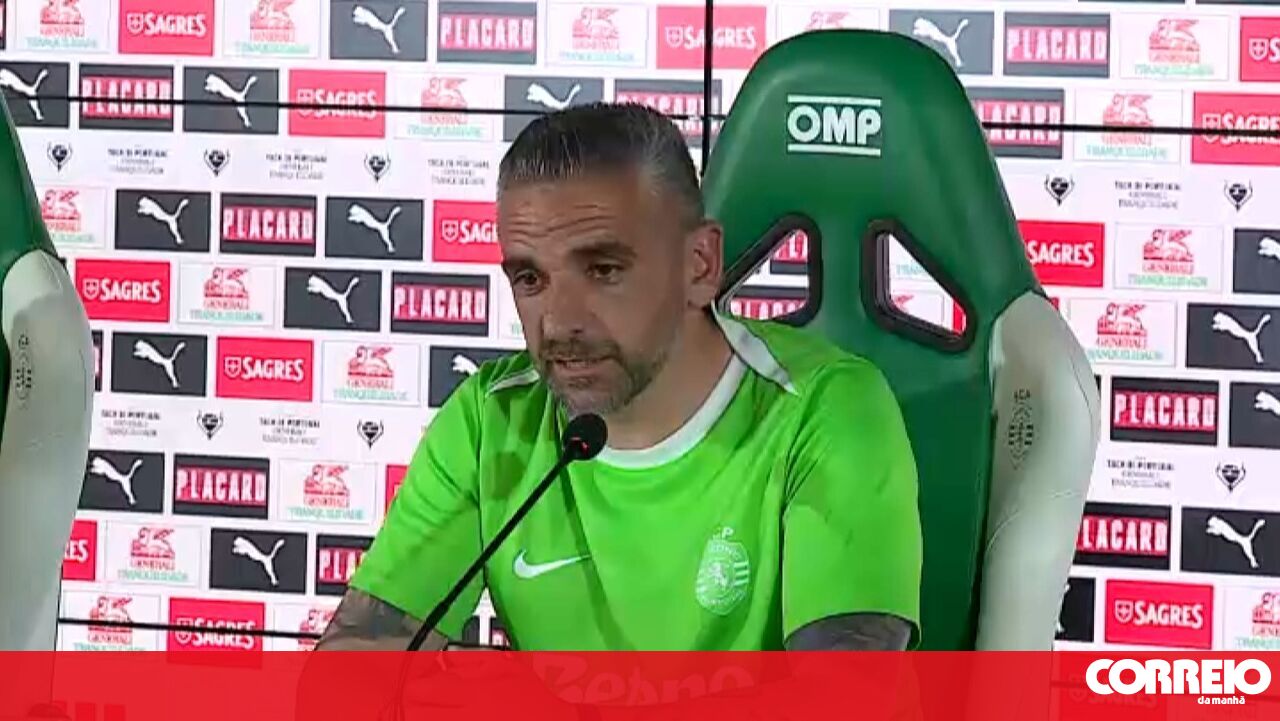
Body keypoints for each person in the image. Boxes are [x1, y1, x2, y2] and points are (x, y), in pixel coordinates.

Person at [315, 102, 922, 651]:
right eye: (530, 279)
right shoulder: (488, 421)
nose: (559, 321)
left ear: (700, 265)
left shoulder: (826, 409)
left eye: (603, 270)